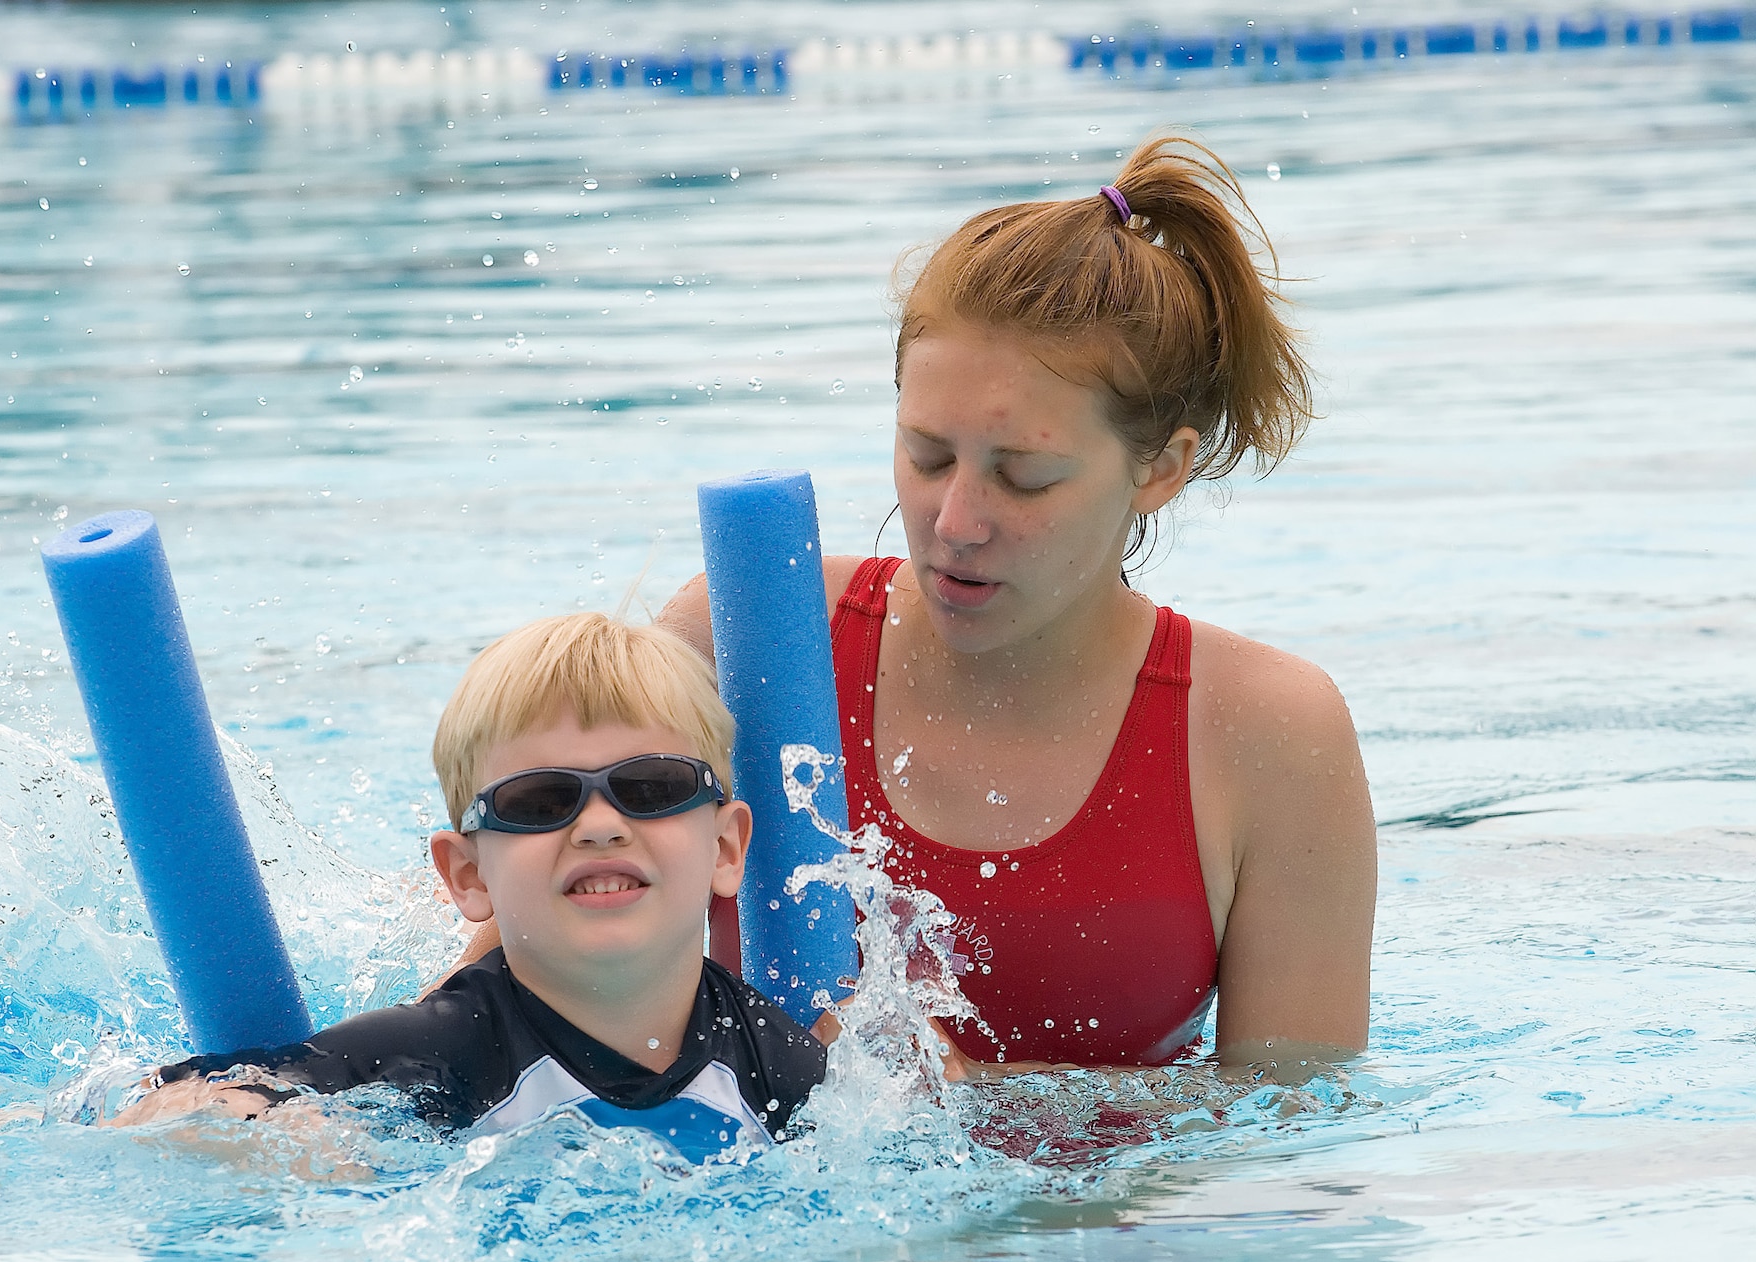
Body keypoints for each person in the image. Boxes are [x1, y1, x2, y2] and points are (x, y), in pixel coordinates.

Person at [662, 133, 1375, 1077]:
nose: (955, 521)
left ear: (1160, 468)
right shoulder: (743, 637)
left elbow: (1294, 1123)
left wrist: (976, 1096)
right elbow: (510, 989)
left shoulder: (1271, 736)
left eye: (1025, 477)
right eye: (925, 455)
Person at [112, 613, 827, 1156]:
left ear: (726, 847)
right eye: (541, 801)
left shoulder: (781, 1064)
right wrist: (269, 1133)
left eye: (653, 786)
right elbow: (168, 1103)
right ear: (467, 874)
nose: (602, 825)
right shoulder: (439, 1053)